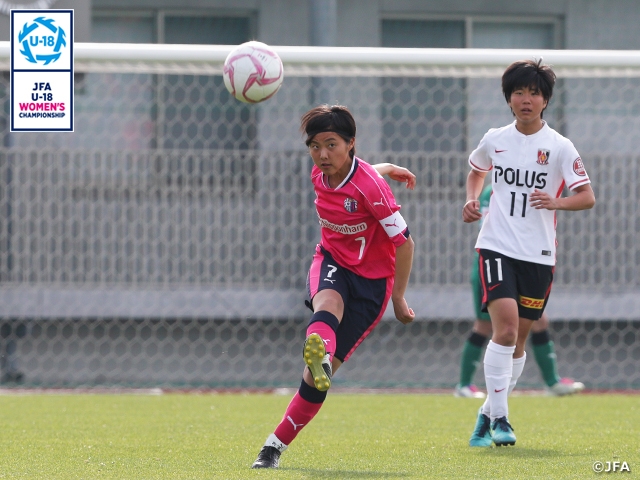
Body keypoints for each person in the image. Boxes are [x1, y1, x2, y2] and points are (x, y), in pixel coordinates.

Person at [252, 104, 416, 468]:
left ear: (351, 143)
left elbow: (405, 243)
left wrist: (399, 297)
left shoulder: (373, 190)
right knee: (327, 306)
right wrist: (388, 167)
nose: (322, 155)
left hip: (373, 285)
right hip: (331, 262)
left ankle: (276, 441)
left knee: (314, 382)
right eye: (314, 146)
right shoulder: (320, 174)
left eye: (331, 145)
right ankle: (271, 450)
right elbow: (361, 174)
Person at [462, 59, 595, 447]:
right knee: (502, 330)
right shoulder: (495, 138)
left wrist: (557, 203)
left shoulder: (559, 147)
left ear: (545, 100)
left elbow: (586, 197)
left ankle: (485, 416)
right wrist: (472, 200)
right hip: (496, 246)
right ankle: (502, 420)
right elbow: (476, 170)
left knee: (517, 343)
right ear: (509, 98)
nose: (526, 99)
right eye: (519, 92)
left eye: (534, 93)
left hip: (538, 254)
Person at [455, 184, 585, 399]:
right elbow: (489, 227)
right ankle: (464, 385)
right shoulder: (493, 190)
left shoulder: (532, 184)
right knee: (485, 325)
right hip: (494, 266)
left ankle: (552, 382)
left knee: (539, 320)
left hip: (524, 264)